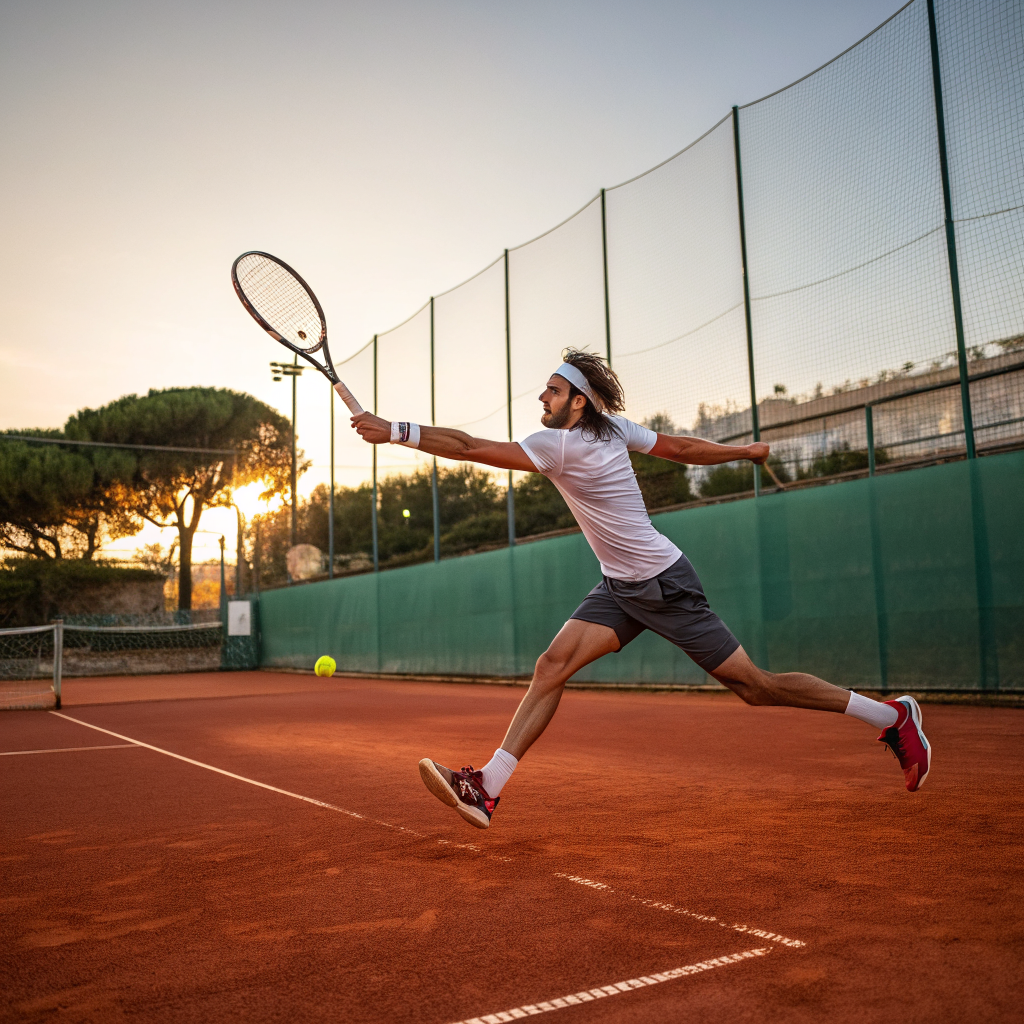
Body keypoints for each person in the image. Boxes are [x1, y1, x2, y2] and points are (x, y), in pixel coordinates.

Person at [352, 349, 931, 830]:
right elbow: (680, 448)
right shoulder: (611, 430)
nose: (542, 399)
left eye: (552, 391)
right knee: (551, 665)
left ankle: (890, 716)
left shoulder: (562, 445)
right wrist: (742, 450)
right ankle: (488, 787)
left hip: (664, 584)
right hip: (621, 587)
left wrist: (397, 432)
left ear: (579, 401)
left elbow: (470, 447)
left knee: (755, 687)